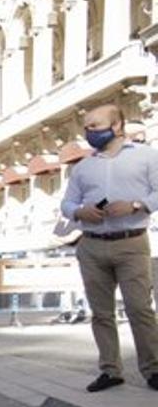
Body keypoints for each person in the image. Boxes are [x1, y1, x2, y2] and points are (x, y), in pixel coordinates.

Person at [60, 103, 158, 392]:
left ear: (117, 126)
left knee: (140, 309)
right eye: (87, 127)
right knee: (101, 312)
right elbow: (66, 203)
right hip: (92, 245)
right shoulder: (83, 167)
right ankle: (110, 370)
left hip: (131, 241)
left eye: (95, 126)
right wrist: (80, 212)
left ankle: (153, 369)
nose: (89, 131)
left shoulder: (146, 157)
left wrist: (136, 205)